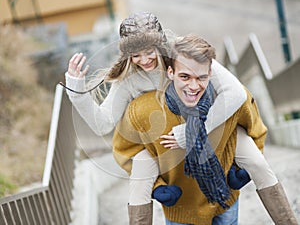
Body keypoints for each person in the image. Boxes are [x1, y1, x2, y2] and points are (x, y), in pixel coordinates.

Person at [64, 12, 247, 221]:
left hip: (207, 143)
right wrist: (76, 89)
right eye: (136, 55)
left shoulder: (184, 57)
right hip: (169, 160)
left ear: (160, 45)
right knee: (142, 182)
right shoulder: (128, 80)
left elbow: (236, 93)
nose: (144, 60)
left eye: (149, 51)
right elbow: (103, 124)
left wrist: (194, 131)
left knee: (254, 164)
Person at [112, 34, 298, 225]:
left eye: (201, 77)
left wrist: (241, 169)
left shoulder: (229, 101)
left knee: (260, 166)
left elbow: (254, 127)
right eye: (185, 76)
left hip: (224, 197)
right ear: (170, 73)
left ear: (210, 74)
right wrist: (157, 187)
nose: (193, 86)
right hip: (182, 207)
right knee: (139, 181)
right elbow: (126, 150)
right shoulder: (143, 110)